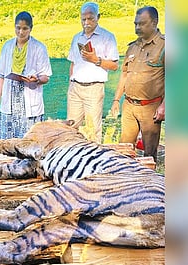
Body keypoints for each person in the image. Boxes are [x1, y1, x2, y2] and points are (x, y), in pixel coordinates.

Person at [110, 6, 165, 162]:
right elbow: (125, 74)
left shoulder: (164, 46)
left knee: (149, 154)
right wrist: (116, 100)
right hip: (129, 106)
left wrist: (164, 105)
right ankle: (126, 181)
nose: (137, 28)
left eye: (142, 24)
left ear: (154, 23)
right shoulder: (132, 47)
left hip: (150, 108)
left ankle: (149, 183)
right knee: (124, 149)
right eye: (135, 24)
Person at [0, 11, 52, 139]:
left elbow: (46, 76)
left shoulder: (39, 48)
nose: (21, 32)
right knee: (7, 143)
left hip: (29, 101)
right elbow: (1, 76)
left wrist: (37, 80)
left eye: (25, 28)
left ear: (31, 28)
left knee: (30, 142)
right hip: (10, 101)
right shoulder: (7, 47)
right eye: (18, 28)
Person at [66, 2, 119, 143]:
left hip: (94, 88)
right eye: (83, 19)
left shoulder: (107, 37)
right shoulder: (77, 37)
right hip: (75, 88)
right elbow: (73, 63)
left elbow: (114, 65)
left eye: (90, 18)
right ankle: (72, 159)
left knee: (94, 130)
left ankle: (94, 160)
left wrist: (96, 59)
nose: (86, 22)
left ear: (98, 17)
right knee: (71, 128)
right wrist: (71, 83)